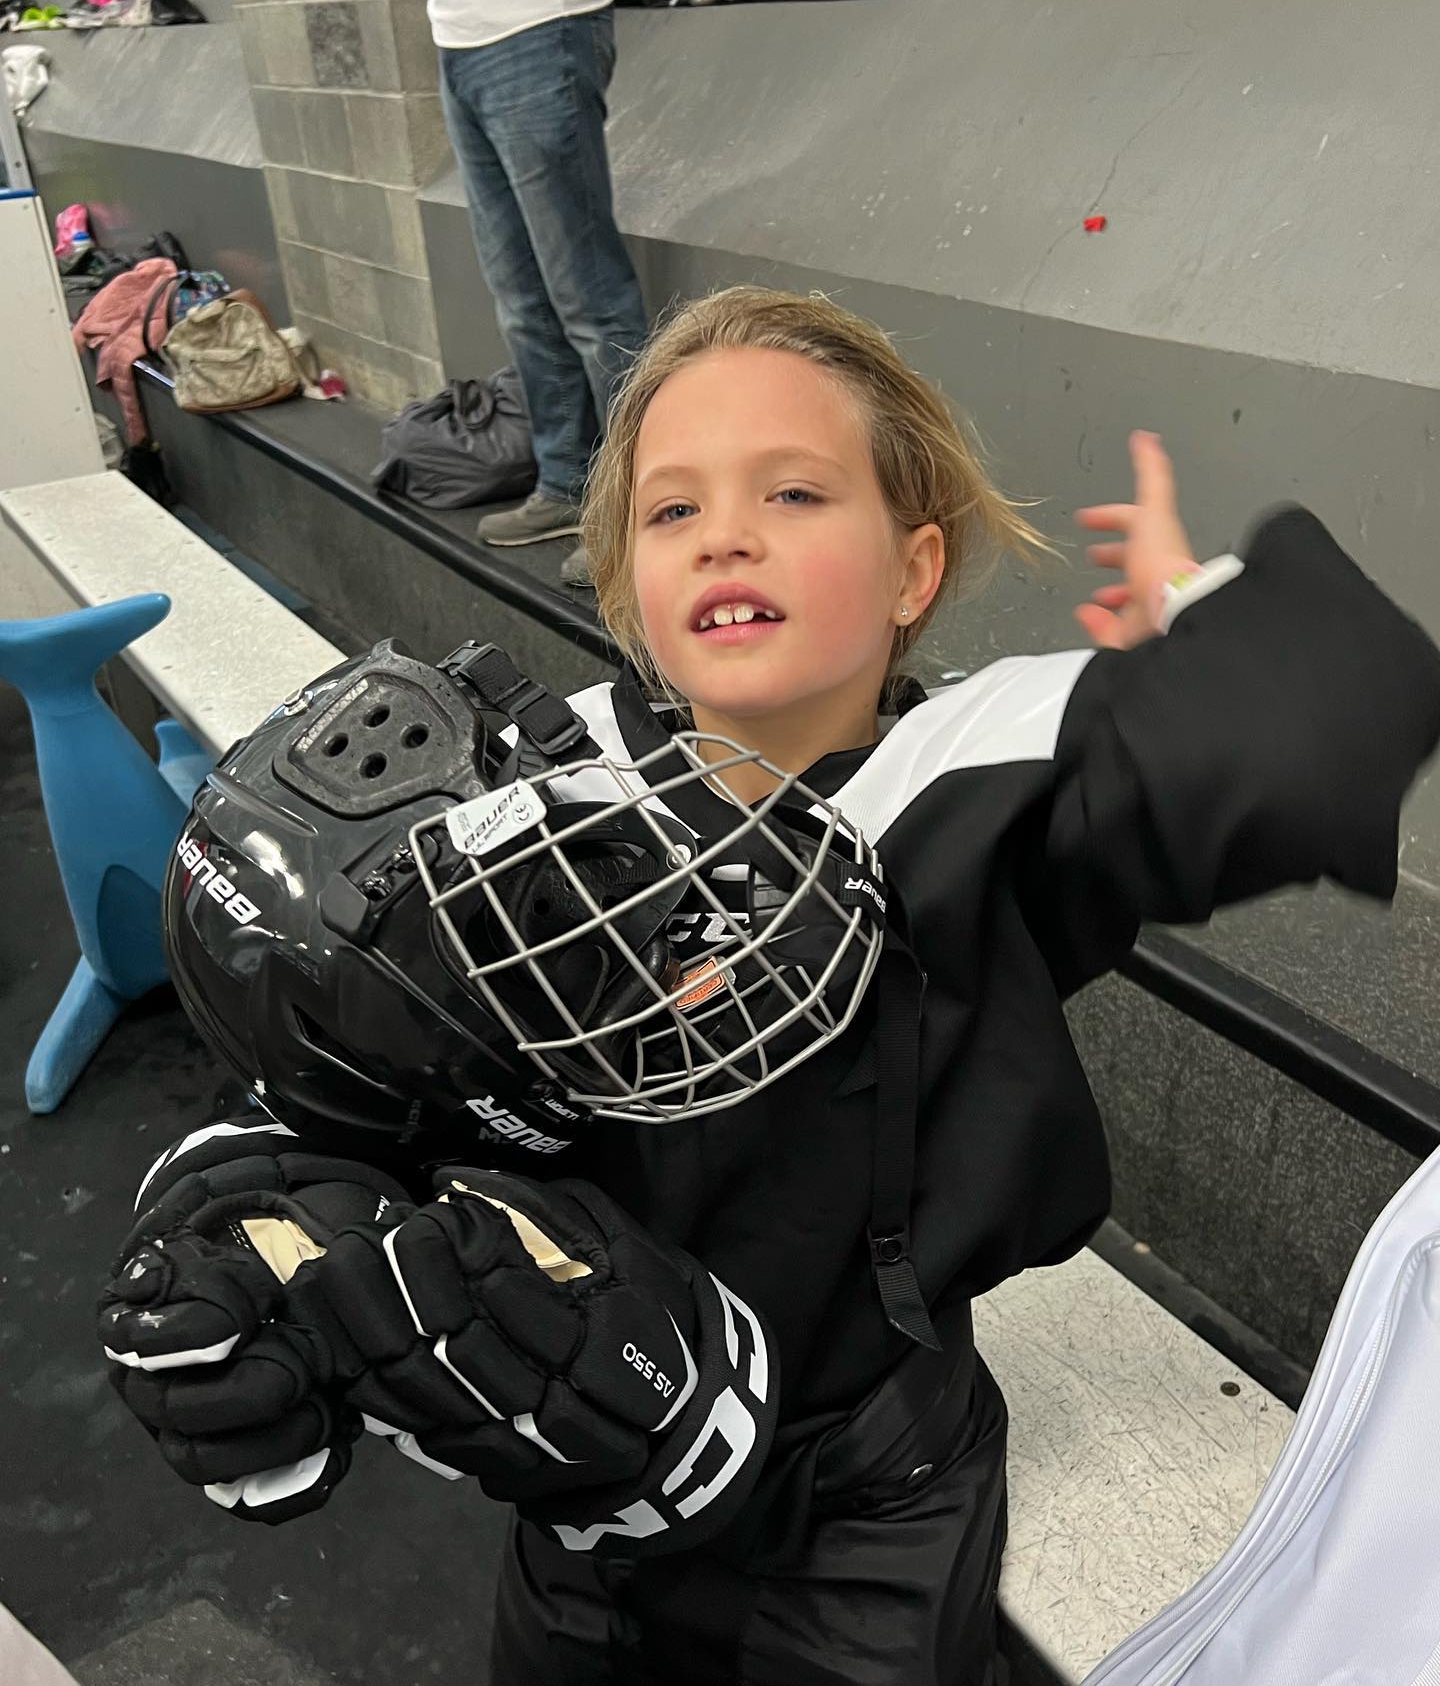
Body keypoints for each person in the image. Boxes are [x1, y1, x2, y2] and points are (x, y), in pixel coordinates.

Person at [100, 287, 1440, 1685]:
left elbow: (1350, 711)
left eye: (794, 491)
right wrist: (240, 1232)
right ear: (626, 580)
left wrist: (1209, 629)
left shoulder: (993, 770)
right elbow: (368, 1079)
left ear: (915, 571)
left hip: (864, 1496)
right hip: (592, 1471)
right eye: (670, 512)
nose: (725, 532)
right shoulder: (546, 786)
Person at [413, 0, 650, 589]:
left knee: (591, 299)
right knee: (520, 294)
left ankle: (641, 513)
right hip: (460, 40)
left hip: (541, 29)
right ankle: (566, 482)